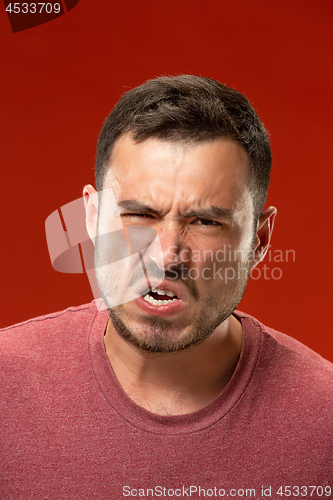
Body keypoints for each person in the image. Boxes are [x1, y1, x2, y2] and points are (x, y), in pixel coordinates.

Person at [1, 75, 332, 499]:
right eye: (140, 214)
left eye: (206, 222)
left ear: (259, 241)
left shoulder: (325, 423)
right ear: (91, 217)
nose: (166, 254)